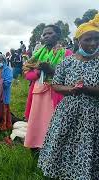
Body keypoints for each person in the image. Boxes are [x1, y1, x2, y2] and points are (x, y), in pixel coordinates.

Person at [38, 14, 99, 179]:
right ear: (78, 40)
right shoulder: (67, 62)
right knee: (65, 143)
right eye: (88, 39)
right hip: (67, 112)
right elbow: (56, 84)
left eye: (96, 39)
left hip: (93, 115)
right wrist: (70, 89)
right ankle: (64, 173)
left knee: (87, 146)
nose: (93, 43)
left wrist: (87, 89)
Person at [23, 25, 73, 149]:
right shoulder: (37, 54)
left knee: (51, 120)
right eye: (44, 34)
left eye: (49, 33)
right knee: (36, 120)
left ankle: (51, 149)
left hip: (56, 93)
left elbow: (70, 74)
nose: (46, 36)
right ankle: (35, 146)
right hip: (38, 92)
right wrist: (37, 73)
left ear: (58, 35)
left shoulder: (66, 53)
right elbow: (27, 73)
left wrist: (51, 70)